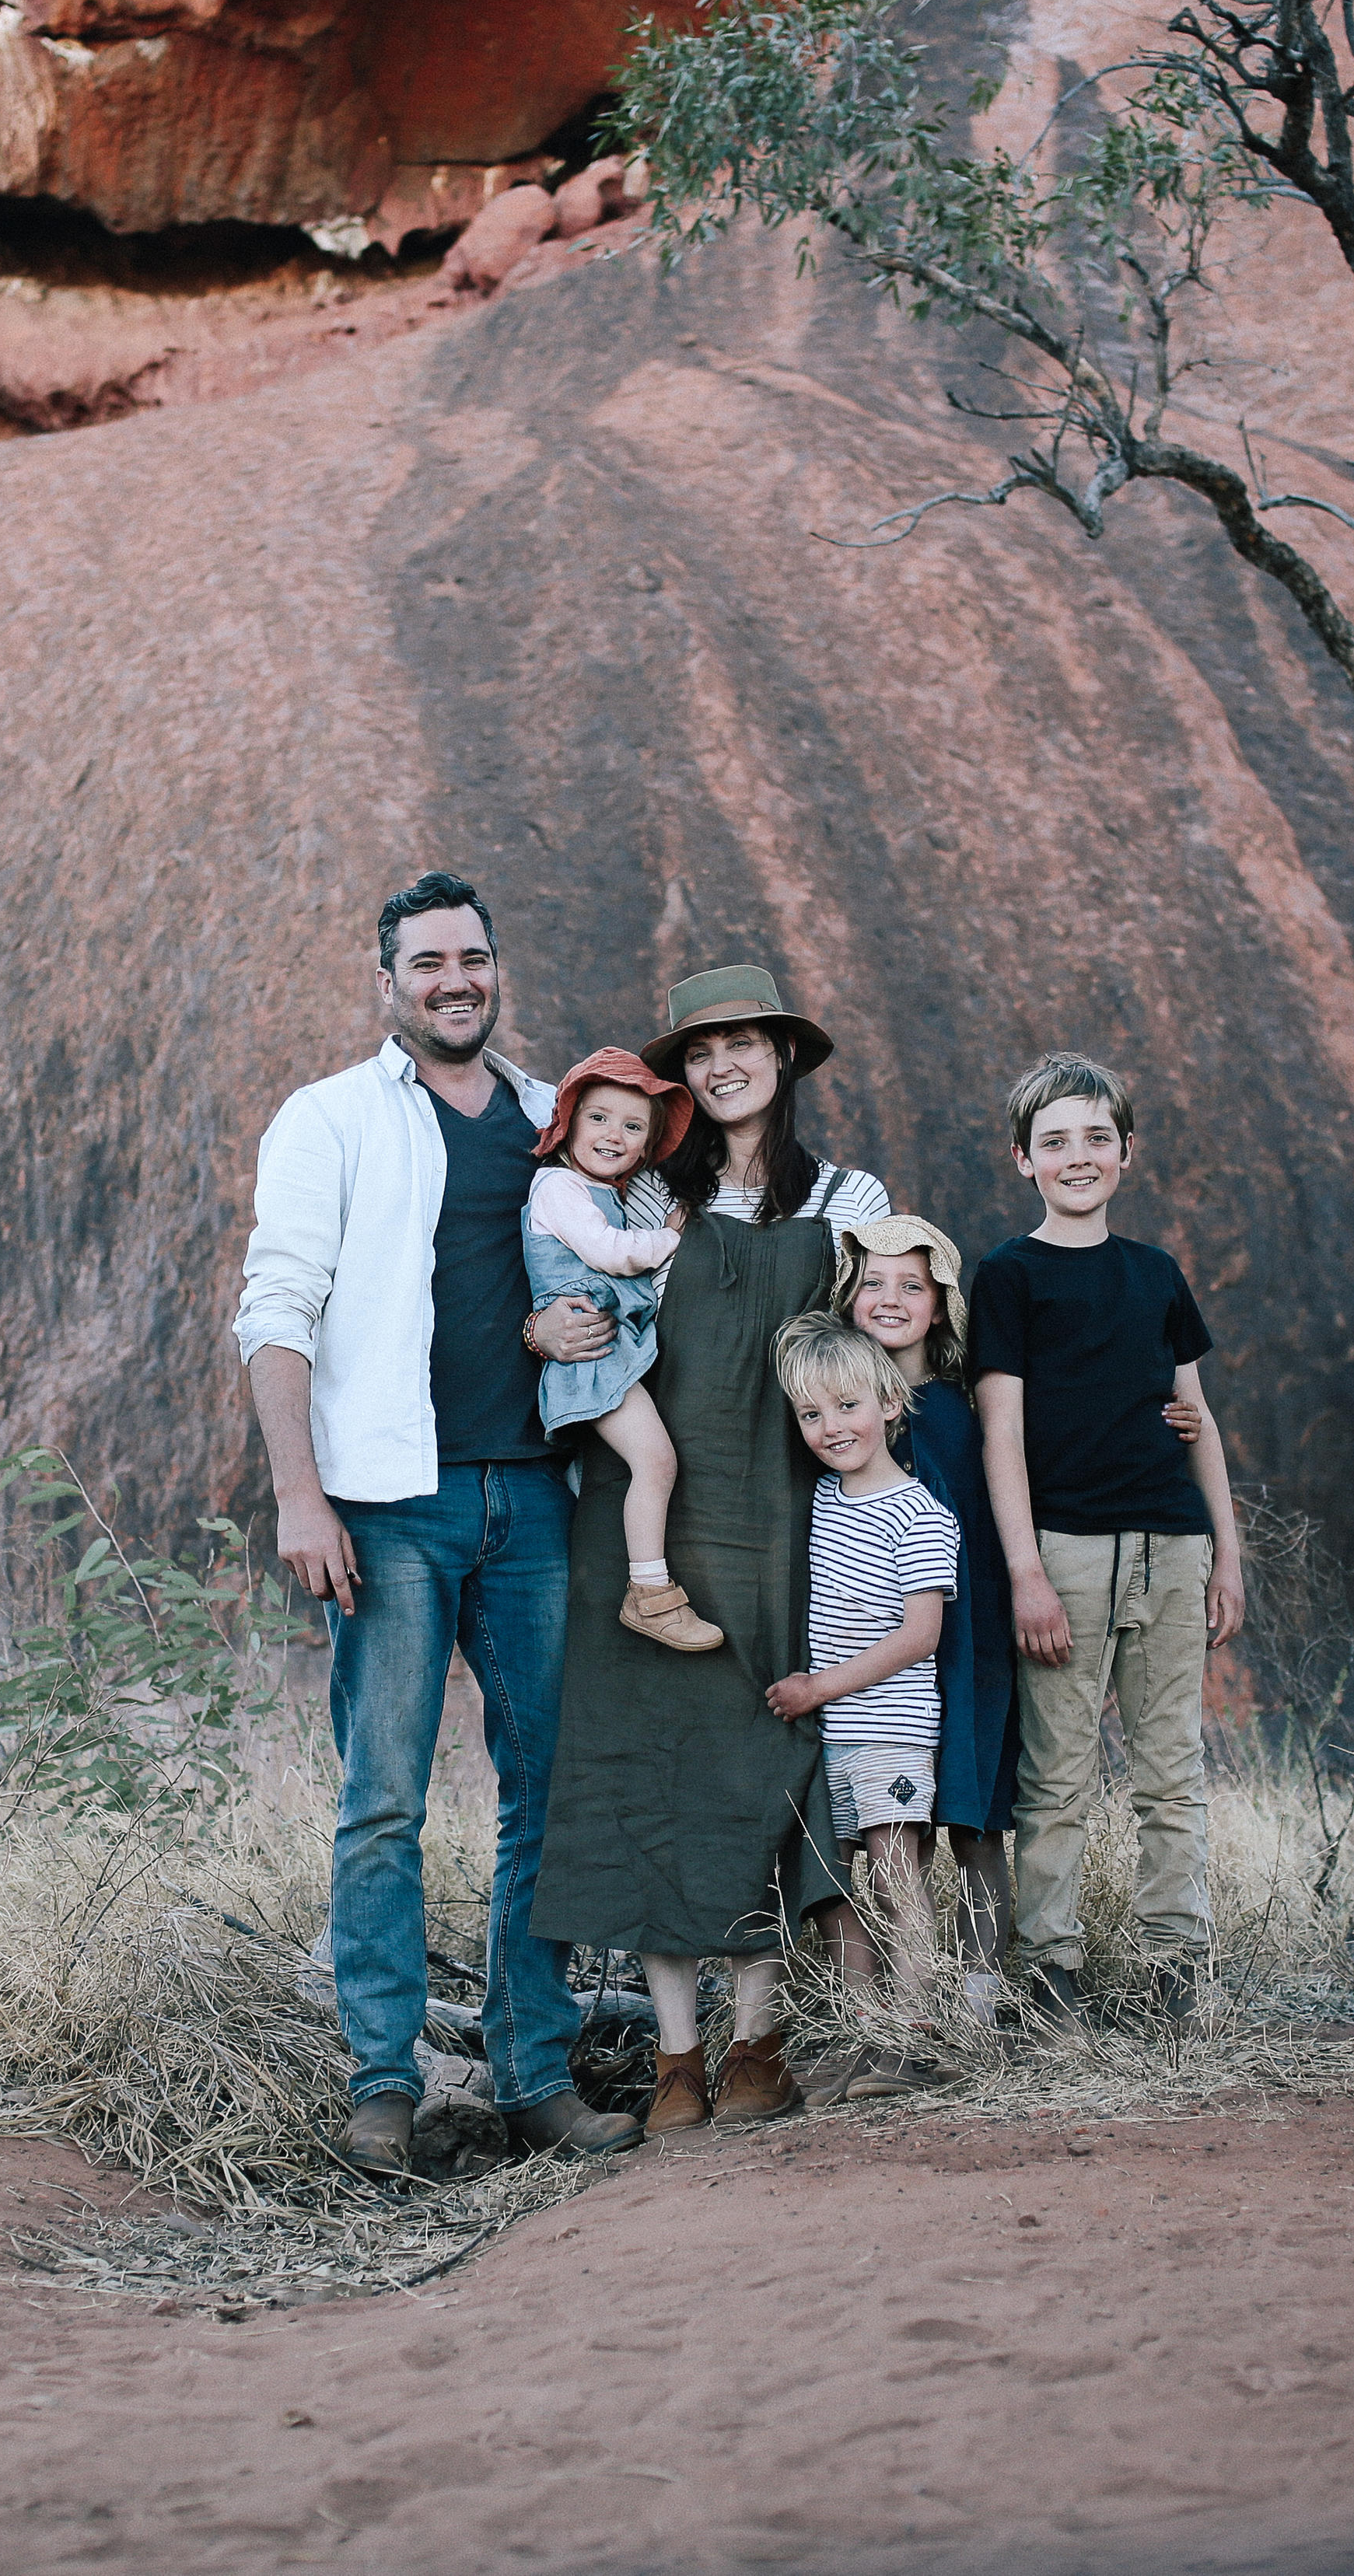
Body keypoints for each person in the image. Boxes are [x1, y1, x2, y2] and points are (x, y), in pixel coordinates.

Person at [232, 872, 645, 2178]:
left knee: (546, 1790)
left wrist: (560, 1332)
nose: (455, 978)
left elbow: (599, 1270)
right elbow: (275, 1307)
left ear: (495, 967)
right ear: (390, 982)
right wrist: (301, 1492)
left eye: (473, 956)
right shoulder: (333, 1119)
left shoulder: (546, 1118)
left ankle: (534, 2073)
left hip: (534, 1493)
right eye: (428, 962)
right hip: (391, 1505)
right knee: (384, 1799)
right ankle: (383, 2084)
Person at [530, 963, 895, 2134]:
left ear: (783, 1055)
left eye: (743, 1041)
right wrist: (542, 1326)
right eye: (700, 1049)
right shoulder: (638, 1194)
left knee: (758, 1761)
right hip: (638, 1519)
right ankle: (676, 2060)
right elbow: (559, 1291)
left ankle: (759, 2042)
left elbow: (898, 1333)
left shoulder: (849, 1194)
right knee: (643, 1763)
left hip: (783, 1518)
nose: (721, 1064)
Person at [972, 1051, 1247, 2034]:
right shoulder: (1007, 1276)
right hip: (1065, 1552)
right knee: (1056, 1781)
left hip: (1171, 1546)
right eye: (1055, 1142)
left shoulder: (1155, 1274)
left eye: (1096, 1138)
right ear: (1022, 1159)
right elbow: (1000, 1431)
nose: (1076, 1156)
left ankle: (1178, 1973)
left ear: (1126, 1153)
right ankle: (1047, 1978)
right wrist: (1025, 1574)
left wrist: (1227, 1552)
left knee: (1171, 1772)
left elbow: (1196, 1415)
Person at [830, 1215, 1018, 2052]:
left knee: (974, 1823)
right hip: (875, 1652)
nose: (890, 1298)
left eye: (912, 1284)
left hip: (968, 1635)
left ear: (941, 1304)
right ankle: (889, 2011)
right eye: (872, 1282)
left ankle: (976, 2010)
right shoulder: (838, 1408)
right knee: (887, 1833)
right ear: (847, 1295)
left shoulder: (968, 1402)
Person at [764, 1311, 961, 2096]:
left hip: (889, 1729)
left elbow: (918, 1636)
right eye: (810, 1414)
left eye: (846, 1406)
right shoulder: (817, 1503)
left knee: (895, 1877)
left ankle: (918, 2031)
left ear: (888, 1402)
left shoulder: (917, 1512)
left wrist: (817, 1688)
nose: (829, 1427)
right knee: (833, 1894)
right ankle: (866, 2034)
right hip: (829, 1741)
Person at [521, 1047, 724, 1653]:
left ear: (645, 1148)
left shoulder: (596, 1189)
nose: (615, 1135)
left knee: (626, 1470)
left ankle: (638, 1581)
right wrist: (669, 1237)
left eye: (633, 1127)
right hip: (594, 1352)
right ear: (569, 1124)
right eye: (599, 1118)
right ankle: (650, 1593)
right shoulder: (557, 1186)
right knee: (656, 1463)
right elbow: (610, 1252)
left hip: (614, 1346)